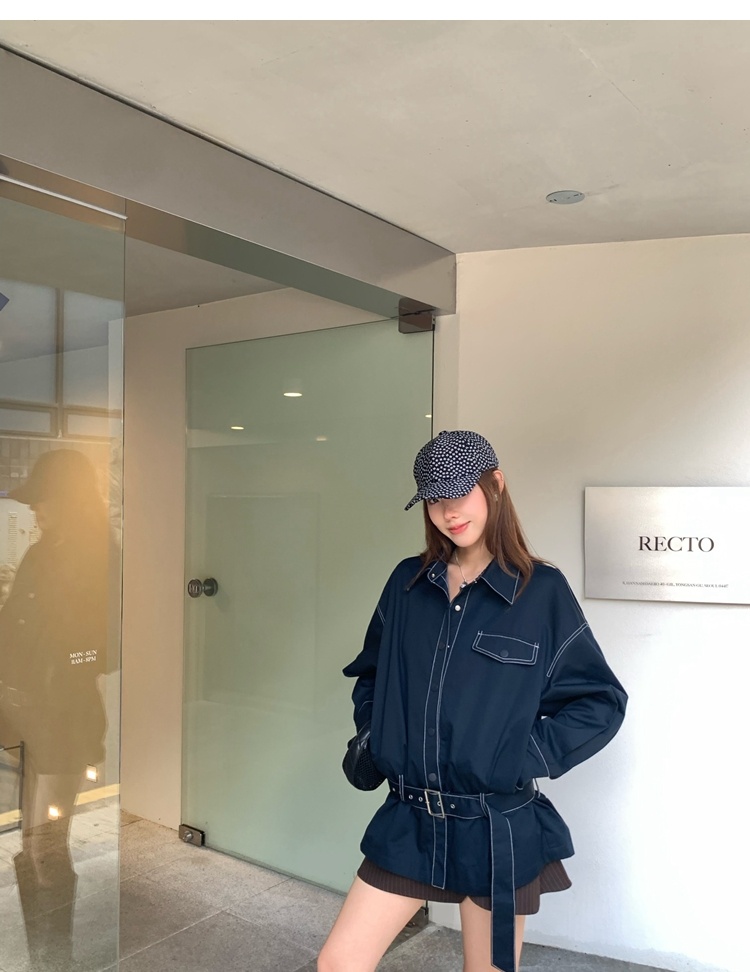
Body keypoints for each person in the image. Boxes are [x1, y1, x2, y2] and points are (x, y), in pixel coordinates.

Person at [318, 430, 627, 972]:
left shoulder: (541, 592)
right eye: (434, 499)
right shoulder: (407, 584)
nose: (448, 512)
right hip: (408, 819)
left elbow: (599, 701)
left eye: (460, 493)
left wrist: (519, 756)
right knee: (339, 963)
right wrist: (380, 732)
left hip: (496, 827)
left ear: (496, 485)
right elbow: (370, 674)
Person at [0, 448, 117, 971]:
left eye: (43, 499)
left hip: (65, 717)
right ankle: (42, 956)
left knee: (46, 847)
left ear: (68, 501)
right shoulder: (41, 554)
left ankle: (54, 960)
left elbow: (106, 646)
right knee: (32, 844)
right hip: (26, 714)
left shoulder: (98, 558)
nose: (34, 510)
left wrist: (60, 666)